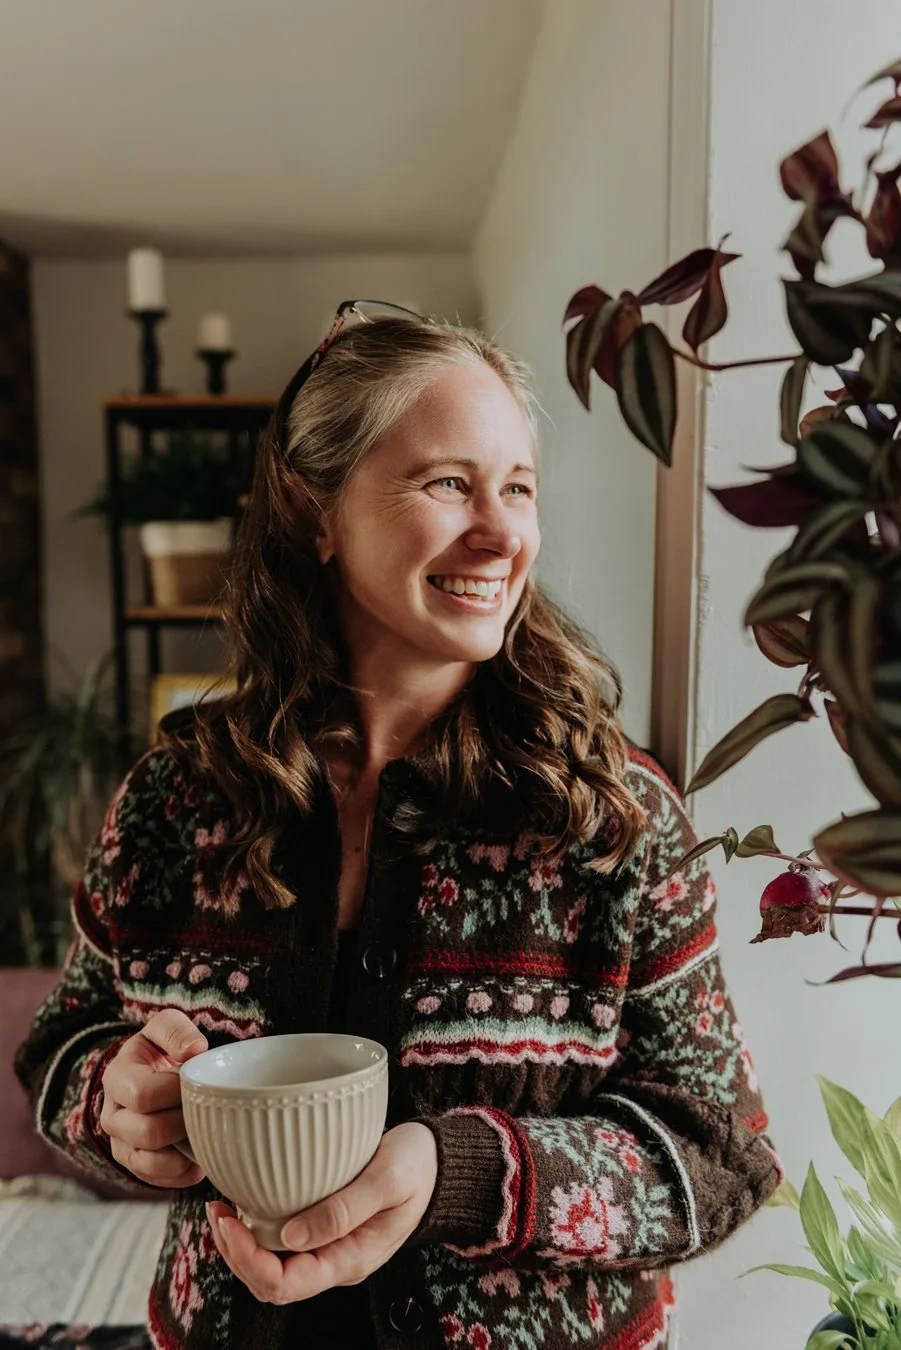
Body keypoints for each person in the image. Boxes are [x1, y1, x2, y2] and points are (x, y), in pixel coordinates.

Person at [16, 305, 781, 1350]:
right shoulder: (173, 800)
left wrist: (462, 1172)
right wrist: (114, 1102)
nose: (504, 533)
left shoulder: (611, 814)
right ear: (311, 510)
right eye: (448, 483)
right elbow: (63, 1046)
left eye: (518, 488)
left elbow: (722, 1157)